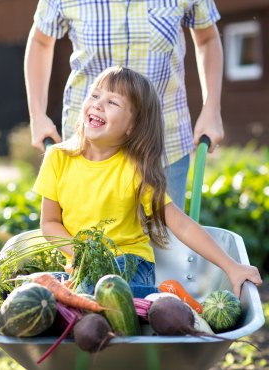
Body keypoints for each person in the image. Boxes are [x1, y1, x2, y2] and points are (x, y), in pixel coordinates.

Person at [32, 66, 261, 299]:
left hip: (130, 262)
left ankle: (159, 299)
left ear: (131, 127)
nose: (98, 104)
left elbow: (179, 223)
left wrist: (232, 266)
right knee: (41, 292)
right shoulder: (58, 158)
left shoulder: (134, 168)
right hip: (81, 265)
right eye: (94, 95)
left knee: (104, 290)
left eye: (113, 103)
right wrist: (81, 255)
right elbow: (50, 222)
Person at [24, 0, 224, 210]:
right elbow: (41, 42)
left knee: (167, 237)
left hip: (165, 143)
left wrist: (212, 109)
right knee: (88, 236)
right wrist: (37, 115)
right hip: (89, 146)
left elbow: (207, 38)